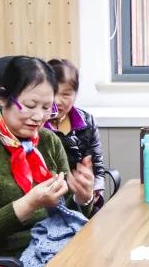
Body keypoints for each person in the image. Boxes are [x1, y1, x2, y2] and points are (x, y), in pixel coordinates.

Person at [0, 56, 95, 260]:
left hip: (54, 246)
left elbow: (68, 215)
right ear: (3, 98)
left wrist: (83, 198)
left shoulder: (48, 141)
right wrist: (29, 204)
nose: (38, 117)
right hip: (4, 261)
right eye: (30, 105)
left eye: (47, 108)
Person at [45, 58, 108, 207]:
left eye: (66, 94)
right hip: (49, 200)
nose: (57, 101)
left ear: (75, 94)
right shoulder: (36, 124)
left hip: (84, 197)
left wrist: (94, 192)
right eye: (52, 93)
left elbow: (97, 166)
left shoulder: (87, 121)